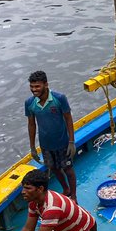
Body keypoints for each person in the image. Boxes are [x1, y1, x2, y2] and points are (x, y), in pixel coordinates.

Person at [26, 71, 77, 200]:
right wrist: (32, 147)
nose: (34, 90)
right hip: (45, 145)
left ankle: (74, 195)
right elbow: (31, 125)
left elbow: (68, 119)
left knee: (68, 169)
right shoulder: (29, 103)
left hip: (62, 143)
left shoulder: (59, 98)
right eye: (32, 87)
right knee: (54, 168)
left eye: (37, 86)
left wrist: (71, 142)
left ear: (46, 84)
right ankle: (65, 189)